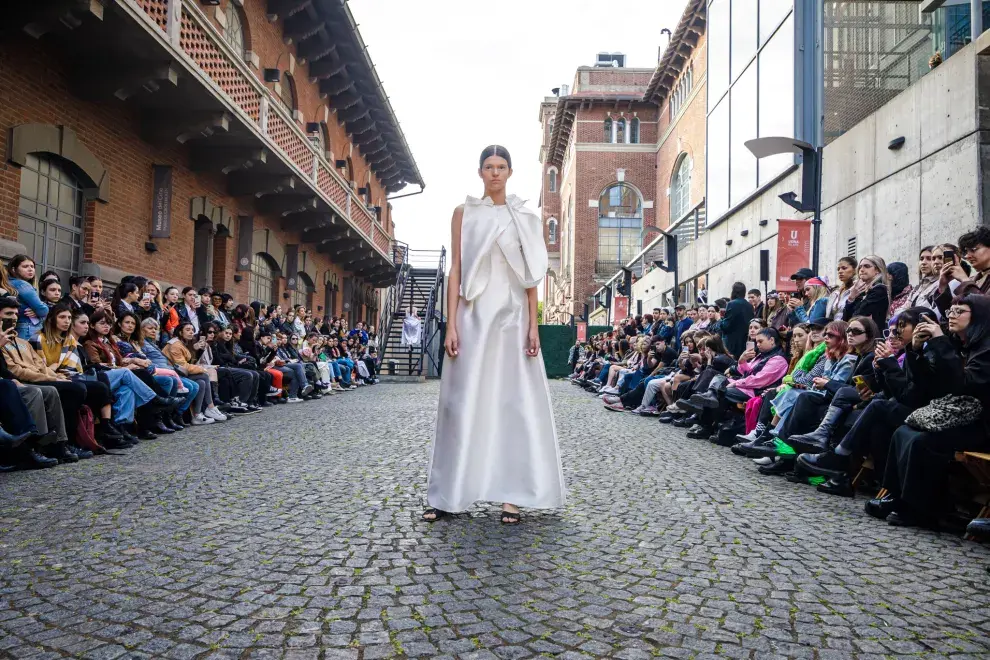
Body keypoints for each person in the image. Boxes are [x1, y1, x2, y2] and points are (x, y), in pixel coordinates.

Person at [425, 145, 565, 525]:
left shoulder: (526, 217)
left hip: (512, 319)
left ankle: (512, 497)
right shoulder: (463, 213)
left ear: (510, 172)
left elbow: (531, 276)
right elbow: (456, 269)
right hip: (472, 316)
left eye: (501, 166)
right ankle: (448, 494)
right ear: (480, 172)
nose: (495, 172)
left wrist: (534, 325)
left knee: (512, 404)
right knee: (460, 404)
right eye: (489, 166)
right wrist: (451, 323)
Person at [867, 295, 990, 528]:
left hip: (979, 424)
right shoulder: (956, 344)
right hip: (955, 415)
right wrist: (915, 351)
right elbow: (928, 384)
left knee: (923, 440)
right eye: (951, 310)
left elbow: (964, 384)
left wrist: (940, 342)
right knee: (903, 431)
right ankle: (897, 496)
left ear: (979, 317)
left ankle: (920, 509)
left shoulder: (985, 349)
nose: (952, 315)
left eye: (960, 311)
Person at [843, 255, 890, 330]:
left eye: (867, 266)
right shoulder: (861, 291)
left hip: (871, 335)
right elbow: (845, 319)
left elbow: (856, 317)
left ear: (877, 270)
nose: (861, 270)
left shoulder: (879, 290)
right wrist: (851, 298)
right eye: (860, 267)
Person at [7, 254, 48, 339]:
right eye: (25, 266)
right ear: (14, 269)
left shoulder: (9, 283)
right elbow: (42, 310)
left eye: (32, 266)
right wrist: (41, 308)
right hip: (28, 328)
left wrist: (37, 309)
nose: (30, 269)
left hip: (19, 327)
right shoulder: (22, 284)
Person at [721, 282, 754, 358]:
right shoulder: (749, 305)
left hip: (732, 342)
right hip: (744, 341)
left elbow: (726, 326)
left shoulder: (731, 304)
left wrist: (721, 321)